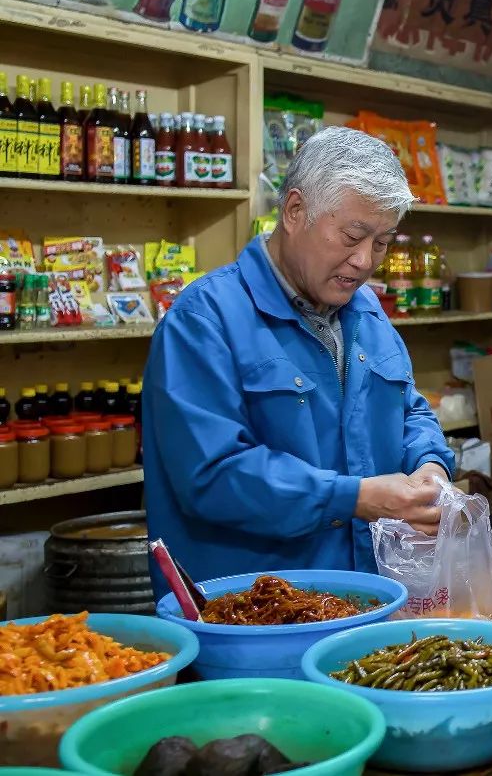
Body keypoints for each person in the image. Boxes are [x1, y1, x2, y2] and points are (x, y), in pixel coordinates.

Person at [144, 127, 454, 594]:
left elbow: (408, 411)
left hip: (365, 600)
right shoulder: (204, 320)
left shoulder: (367, 313)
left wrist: (430, 466)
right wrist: (355, 498)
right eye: (352, 236)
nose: (365, 260)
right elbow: (211, 475)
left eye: (383, 242)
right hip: (251, 614)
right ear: (294, 212)